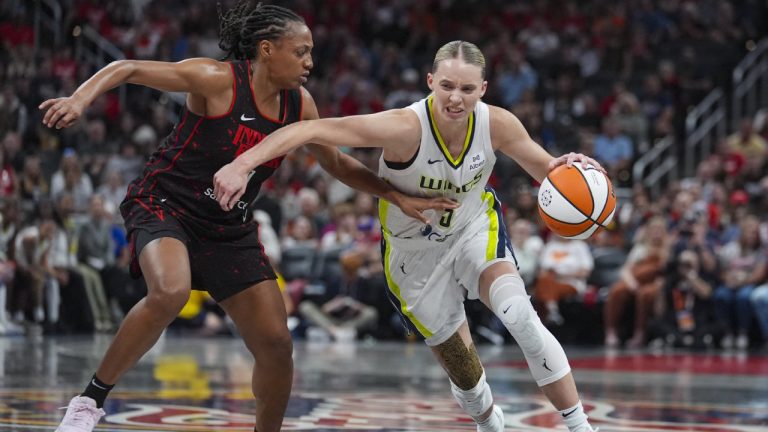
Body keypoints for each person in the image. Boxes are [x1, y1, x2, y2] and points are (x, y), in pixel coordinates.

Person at [40, 3, 454, 432]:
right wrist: (79, 98)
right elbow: (125, 67)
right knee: (170, 290)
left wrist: (392, 192)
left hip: (226, 226)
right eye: (301, 52)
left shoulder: (300, 104)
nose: (311, 62)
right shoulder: (216, 80)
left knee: (277, 344)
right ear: (267, 49)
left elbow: (336, 164)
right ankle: (89, 402)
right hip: (165, 203)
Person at [214, 40, 601, 432]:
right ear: (430, 81)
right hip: (413, 255)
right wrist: (243, 163)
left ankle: (580, 426)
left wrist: (565, 167)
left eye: (467, 89)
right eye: (447, 86)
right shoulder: (403, 127)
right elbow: (310, 129)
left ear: (483, 89)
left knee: (520, 316)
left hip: (473, 229)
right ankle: (488, 422)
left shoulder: (496, 123)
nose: (456, 98)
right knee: (466, 376)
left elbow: (546, 168)